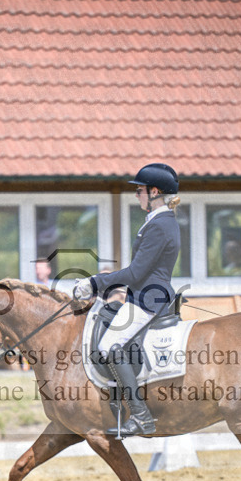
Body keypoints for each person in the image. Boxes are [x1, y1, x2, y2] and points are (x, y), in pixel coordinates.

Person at [73, 163, 182, 438]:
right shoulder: (159, 221)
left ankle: (142, 417)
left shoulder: (160, 224)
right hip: (143, 294)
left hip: (149, 299)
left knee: (109, 345)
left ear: (155, 192)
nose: (137, 195)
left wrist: (93, 283)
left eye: (140, 191)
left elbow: (135, 272)